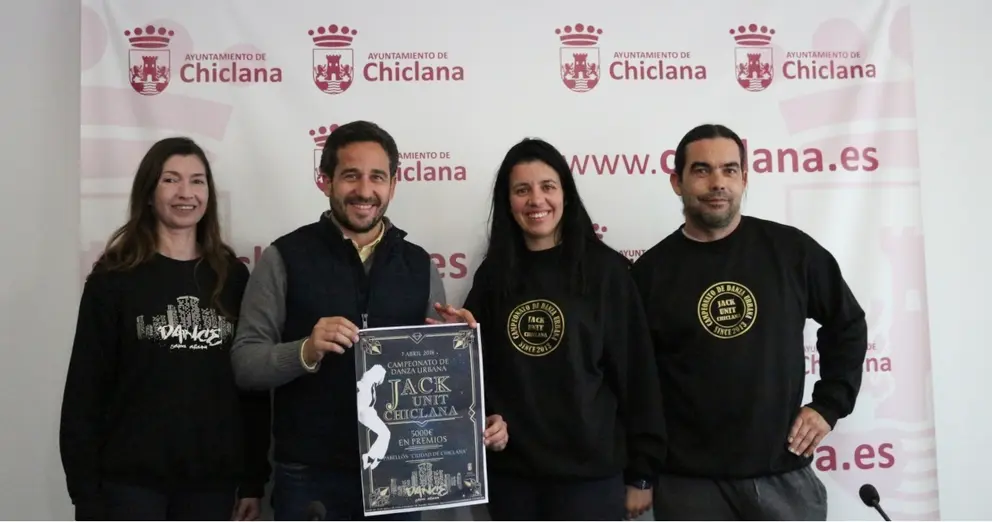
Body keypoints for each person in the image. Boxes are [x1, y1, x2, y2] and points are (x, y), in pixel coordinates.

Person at [228, 120, 509, 521]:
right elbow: (245, 364)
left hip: (400, 476)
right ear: (326, 181)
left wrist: (458, 353)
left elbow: (437, 387)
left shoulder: (418, 264)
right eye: (350, 176)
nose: (364, 190)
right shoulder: (283, 257)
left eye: (377, 177)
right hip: (310, 476)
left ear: (393, 184)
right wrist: (305, 351)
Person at [630, 124, 869, 520]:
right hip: (688, 483)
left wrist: (829, 404)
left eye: (729, 170)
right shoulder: (649, 275)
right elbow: (634, 382)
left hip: (782, 473)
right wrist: (639, 470)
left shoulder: (792, 252)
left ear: (744, 178)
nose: (717, 182)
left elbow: (847, 324)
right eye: (702, 170)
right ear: (677, 182)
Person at [431, 138, 667, 520]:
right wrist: (460, 345)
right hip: (512, 477)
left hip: (590, 478)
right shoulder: (493, 275)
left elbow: (636, 374)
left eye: (547, 187)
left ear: (566, 195)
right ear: (508, 202)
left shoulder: (606, 271)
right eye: (522, 190)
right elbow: (479, 379)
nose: (536, 200)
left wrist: (642, 471)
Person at [59, 137, 271, 521]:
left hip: (211, 484)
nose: (185, 193)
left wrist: (253, 480)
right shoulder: (113, 278)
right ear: (148, 192)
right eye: (171, 180)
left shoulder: (232, 277)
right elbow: (84, 392)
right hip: (128, 485)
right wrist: (85, 494)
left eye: (197, 181)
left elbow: (249, 390)